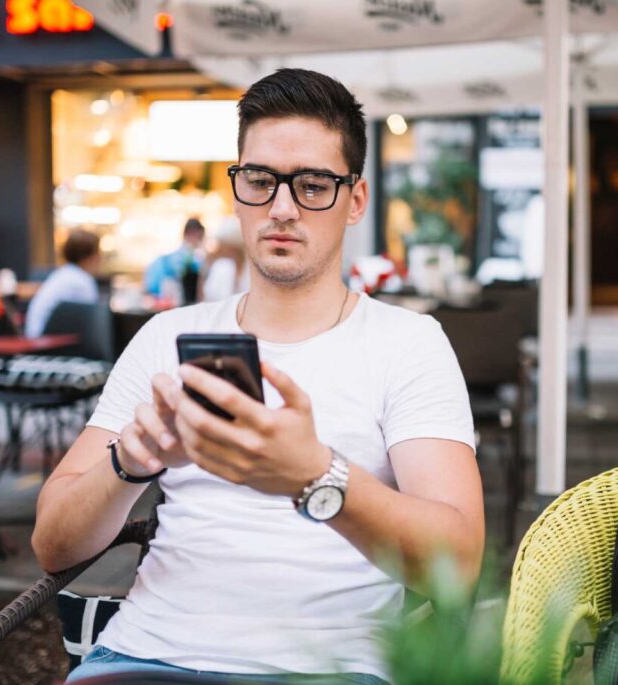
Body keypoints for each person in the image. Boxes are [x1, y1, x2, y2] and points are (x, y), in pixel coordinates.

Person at [33, 68, 483, 684]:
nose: (282, 207)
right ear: (237, 188)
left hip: (333, 669)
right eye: (261, 180)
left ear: (355, 200)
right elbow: (52, 546)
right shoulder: (167, 336)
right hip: (146, 655)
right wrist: (129, 461)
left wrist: (317, 477)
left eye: (314, 184)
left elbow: (456, 564)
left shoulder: (408, 343)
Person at [24, 230, 101, 338]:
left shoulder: (62, 274)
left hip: (35, 337)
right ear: (88, 256)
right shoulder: (82, 281)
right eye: (97, 252)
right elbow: (93, 321)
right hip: (48, 343)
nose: (100, 258)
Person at [144, 217, 206, 298]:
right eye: (199, 237)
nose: (199, 241)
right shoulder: (180, 257)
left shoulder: (195, 255)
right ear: (190, 234)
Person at [202, 216, 250, 301]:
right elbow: (208, 298)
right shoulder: (220, 267)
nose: (220, 248)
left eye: (224, 244)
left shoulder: (251, 269)